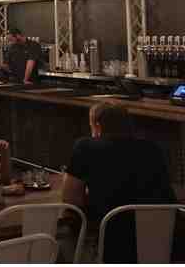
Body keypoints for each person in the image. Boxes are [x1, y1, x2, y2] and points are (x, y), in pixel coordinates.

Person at [62, 101, 176, 263]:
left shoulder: (85, 146)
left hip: (114, 241)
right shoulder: (152, 148)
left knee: (69, 233)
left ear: (97, 126)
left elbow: (70, 199)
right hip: (162, 241)